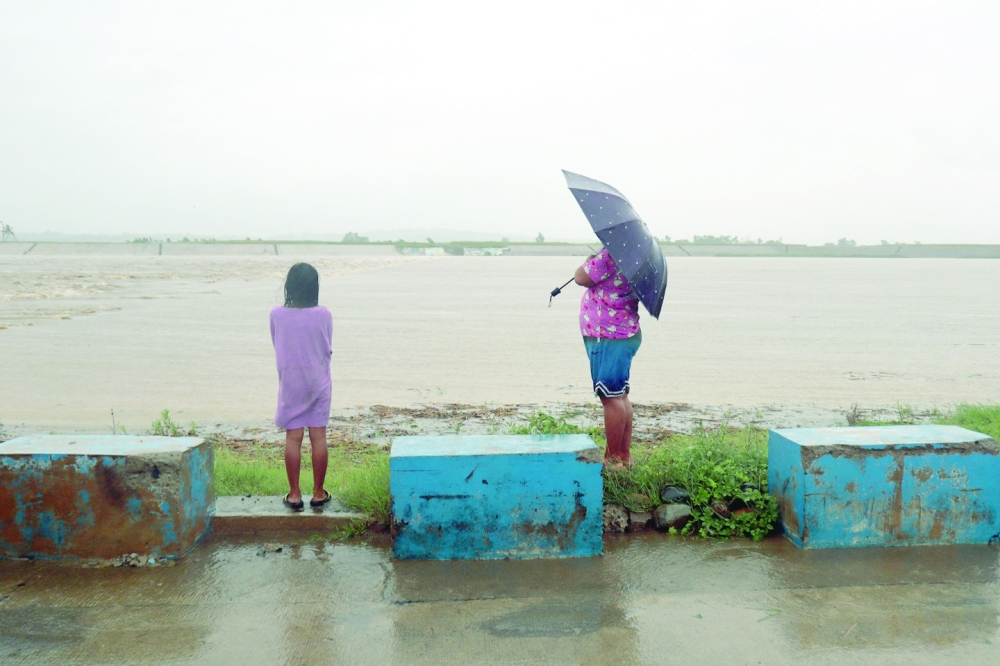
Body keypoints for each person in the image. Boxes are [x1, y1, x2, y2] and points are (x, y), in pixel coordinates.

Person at [270, 262, 333, 510]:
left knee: (293, 437)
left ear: (289, 286)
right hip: (318, 380)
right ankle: (318, 493)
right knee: (318, 436)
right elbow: (327, 347)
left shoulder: (276, 314)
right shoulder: (324, 314)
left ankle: (294, 494)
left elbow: (277, 344)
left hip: (291, 382)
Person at [574, 248, 641, 468]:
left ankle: (613, 460)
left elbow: (580, 277)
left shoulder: (611, 255)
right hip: (623, 333)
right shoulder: (635, 257)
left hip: (609, 336)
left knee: (610, 398)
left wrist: (590, 258)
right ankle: (623, 457)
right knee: (619, 395)